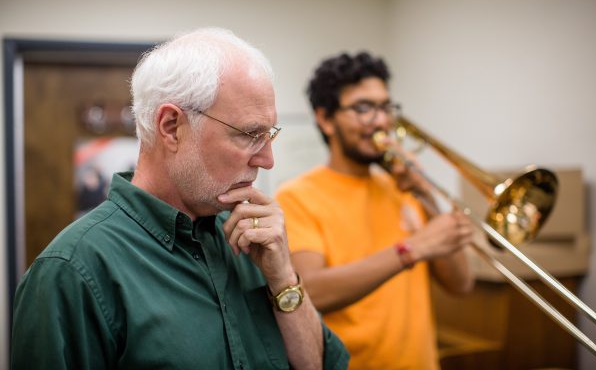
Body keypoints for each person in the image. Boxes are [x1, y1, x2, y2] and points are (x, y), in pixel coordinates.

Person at [11, 28, 349, 370]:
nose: (267, 160)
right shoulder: (72, 272)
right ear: (172, 126)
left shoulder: (251, 240)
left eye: (269, 134)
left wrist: (283, 281)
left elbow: (318, 365)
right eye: (250, 135)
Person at [275, 52, 475, 370]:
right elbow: (310, 291)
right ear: (326, 119)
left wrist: (425, 194)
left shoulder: (402, 189)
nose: (381, 121)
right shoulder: (296, 197)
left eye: (385, 107)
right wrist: (411, 250)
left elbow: (461, 284)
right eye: (363, 108)